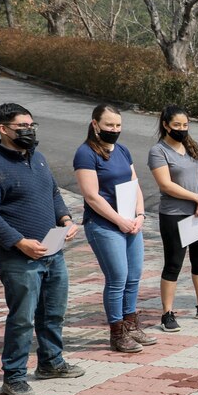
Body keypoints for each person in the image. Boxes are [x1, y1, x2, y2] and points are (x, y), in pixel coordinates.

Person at [0, 103, 84, 395]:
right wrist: (19, 241)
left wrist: (66, 218)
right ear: (3, 128)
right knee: (22, 318)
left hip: (52, 250)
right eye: (22, 126)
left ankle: (50, 362)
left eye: (32, 125)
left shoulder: (39, 158)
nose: (29, 131)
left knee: (53, 312)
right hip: (19, 257)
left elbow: (54, 193)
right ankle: (14, 376)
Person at [74, 104, 155, 353]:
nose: (114, 129)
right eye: (109, 125)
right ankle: (117, 332)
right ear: (95, 124)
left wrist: (140, 215)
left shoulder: (122, 150)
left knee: (134, 276)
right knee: (117, 278)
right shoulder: (86, 153)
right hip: (105, 225)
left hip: (131, 223)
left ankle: (131, 324)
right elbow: (91, 196)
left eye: (118, 125)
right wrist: (119, 221)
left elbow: (134, 183)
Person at [149, 105, 198, 332]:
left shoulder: (194, 146)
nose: (182, 130)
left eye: (185, 125)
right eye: (177, 125)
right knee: (173, 263)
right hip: (175, 215)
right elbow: (166, 184)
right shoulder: (158, 151)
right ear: (165, 125)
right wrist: (196, 198)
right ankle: (167, 313)